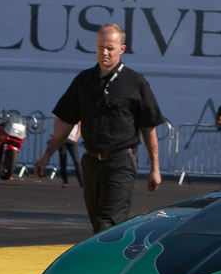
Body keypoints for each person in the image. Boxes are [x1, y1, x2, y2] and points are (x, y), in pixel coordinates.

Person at [34, 23, 164, 233]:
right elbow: (65, 122)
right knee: (97, 223)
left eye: (110, 48)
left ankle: (108, 255)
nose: (104, 52)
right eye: (100, 47)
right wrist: (46, 155)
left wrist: (155, 169)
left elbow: (149, 128)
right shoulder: (84, 80)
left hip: (121, 161)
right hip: (91, 162)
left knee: (107, 223)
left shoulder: (135, 82)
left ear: (122, 49)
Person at [55, 122, 82, 187]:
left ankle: (81, 181)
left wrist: (76, 139)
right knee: (63, 159)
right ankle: (65, 180)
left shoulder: (77, 118)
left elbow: (79, 128)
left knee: (76, 160)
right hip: (62, 139)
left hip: (72, 141)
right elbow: (57, 124)